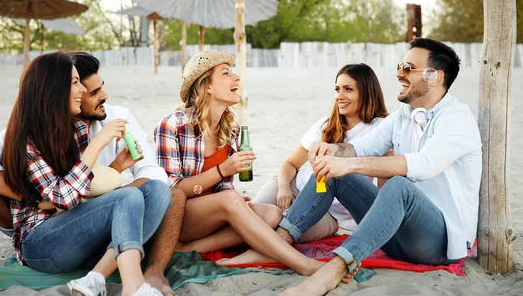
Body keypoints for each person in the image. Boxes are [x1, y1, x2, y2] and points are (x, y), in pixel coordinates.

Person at [0, 52, 185, 296]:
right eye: (76, 83)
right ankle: (133, 285)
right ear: (54, 89)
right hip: (41, 243)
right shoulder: (25, 138)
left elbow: (80, 190)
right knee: (128, 196)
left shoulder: (80, 128)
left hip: (77, 234)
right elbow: (63, 197)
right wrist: (97, 145)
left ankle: (95, 279)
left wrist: (116, 167)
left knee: (156, 190)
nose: (82, 89)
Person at [279, 38, 482, 295]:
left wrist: (349, 164)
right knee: (334, 174)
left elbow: (423, 165)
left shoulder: (457, 119)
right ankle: (280, 240)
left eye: (408, 67)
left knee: (399, 185)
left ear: (434, 76)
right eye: (400, 65)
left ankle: (334, 270)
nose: (399, 73)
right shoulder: (403, 116)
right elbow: (361, 147)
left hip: (440, 244)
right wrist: (334, 150)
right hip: (395, 237)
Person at [154, 50, 323, 275]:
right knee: (231, 200)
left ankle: (188, 249)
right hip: (177, 219)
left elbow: (224, 187)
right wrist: (224, 171)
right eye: (226, 73)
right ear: (207, 86)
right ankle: (301, 264)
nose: (236, 78)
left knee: (271, 214)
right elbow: (172, 190)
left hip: (209, 218)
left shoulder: (231, 129)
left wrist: (235, 202)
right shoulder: (173, 125)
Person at [252, 63, 389, 242]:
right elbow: (290, 164)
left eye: (348, 89)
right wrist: (284, 188)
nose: (340, 96)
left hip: (331, 213)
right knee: (249, 217)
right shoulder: (325, 125)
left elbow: (382, 191)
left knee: (279, 229)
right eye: (337, 89)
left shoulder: (381, 130)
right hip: (293, 187)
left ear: (366, 92)